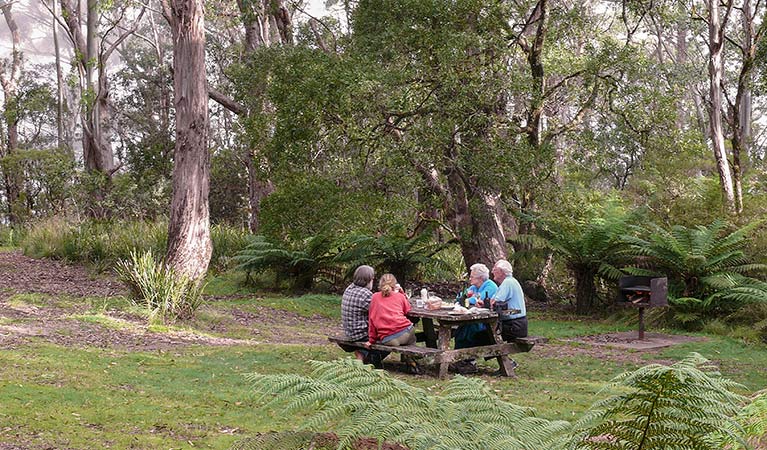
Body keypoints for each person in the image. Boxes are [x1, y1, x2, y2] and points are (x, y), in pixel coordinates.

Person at [366, 273, 420, 373]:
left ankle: (409, 361)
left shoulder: (374, 297)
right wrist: (402, 293)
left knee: (399, 338)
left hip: (389, 339)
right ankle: (411, 362)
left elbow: (372, 320)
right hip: (406, 332)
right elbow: (407, 309)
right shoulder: (399, 296)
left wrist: (371, 340)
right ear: (395, 284)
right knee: (412, 338)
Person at [453, 263, 498, 374]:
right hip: (473, 317)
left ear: (480, 278)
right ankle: (461, 358)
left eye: (472, 276)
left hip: (488, 321)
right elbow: (459, 298)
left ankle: (468, 360)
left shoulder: (490, 286)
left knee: (469, 329)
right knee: (461, 328)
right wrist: (465, 297)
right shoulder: (474, 287)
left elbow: (478, 300)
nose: (470, 279)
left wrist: (469, 298)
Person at [340, 265, 387, 368]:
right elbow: (382, 312)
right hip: (360, 334)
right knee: (392, 336)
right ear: (369, 280)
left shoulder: (349, 288)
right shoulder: (365, 294)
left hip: (349, 331)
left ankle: (362, 356)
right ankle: (371, 361)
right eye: (372, 279)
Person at [490, 259, 528, 341]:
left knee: (483, 336)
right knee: (485, 335)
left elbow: (494, 302)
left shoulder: (508, 283)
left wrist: (493, 304)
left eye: (495, 269)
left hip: (514, 326)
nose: (492, 272)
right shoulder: (509, 282)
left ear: (501, 271)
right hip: (518, 325)